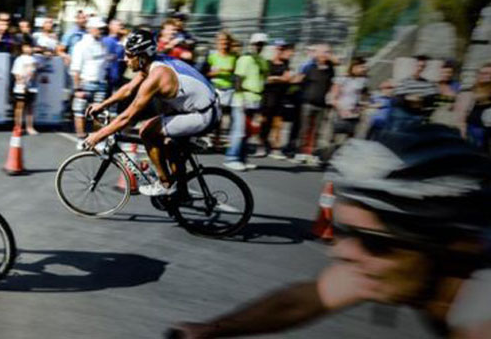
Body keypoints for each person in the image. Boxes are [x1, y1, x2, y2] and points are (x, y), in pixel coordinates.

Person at [171, 125, 491, 338]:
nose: (342, 250)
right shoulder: (402, 264)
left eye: (373, 242)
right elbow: (301, 301)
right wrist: (210, 329)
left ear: (457, 245)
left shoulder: (479, 311)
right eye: (344, 230)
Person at [83, 29, 219, 197]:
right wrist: (103, 104)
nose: (125, 59)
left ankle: (165, 183)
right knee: (171, 149)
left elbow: (127, 116)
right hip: (199, 108)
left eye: (129, 55)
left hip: (203, 115)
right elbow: (128, 89)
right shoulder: (152, 64)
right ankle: (181, 194)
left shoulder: (157, 76)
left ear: (142, 56)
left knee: (147, 131)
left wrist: (97, 136)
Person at [225, 33, 268, 171]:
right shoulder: (245, 59)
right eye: (256, 44)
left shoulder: (262, 61)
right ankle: (231, 158)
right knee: (239, 130)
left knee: (248, 132)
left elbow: (263, 80)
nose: (258, 47)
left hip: (256, 99)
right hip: (243, 98)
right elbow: (237, 79)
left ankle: (242, 158)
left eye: (261, 44)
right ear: (251, 44)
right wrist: (241, 99)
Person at [294, 44, 336, 165]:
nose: (326, 55)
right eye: (324, 52)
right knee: (304, 129)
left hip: (322, 103)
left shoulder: (330, 69)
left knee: (317, 131)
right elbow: (299, 80)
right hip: (307, 101)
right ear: (317, 53)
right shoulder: (309, 66)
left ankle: (311, 153)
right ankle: (301, 152)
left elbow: (332, 83)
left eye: (328, 52)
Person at [70, 17, 110, 139]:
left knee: (99, 112)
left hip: (101, 82)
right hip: (85, 82)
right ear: (91, 29)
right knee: (80, 111)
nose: (101, 31)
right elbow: (75, 68)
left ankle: (97, 138)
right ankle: (81, 137)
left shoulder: (103, 44)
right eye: (98, 28)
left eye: (102, 28)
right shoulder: (81, 45)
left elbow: (104, 64)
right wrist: (77, 88)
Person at [260, 40, 293, 159]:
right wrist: (279, 78)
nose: (280, 51)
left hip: (280, 98)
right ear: (274, 49)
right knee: (265, 123)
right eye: (278, 48)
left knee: (278, 125)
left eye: (282, 49)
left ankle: (275, 148)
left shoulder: (286, 64)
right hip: (268, 98)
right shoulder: (267, 63)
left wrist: (274, 78)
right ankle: (262, 145)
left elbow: (288, 78)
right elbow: (265, 79)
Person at [390, 55, 439, 131]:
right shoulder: (404, 82)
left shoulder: (428, 84)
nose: (419, 69)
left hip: (417, 115)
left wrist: (414, 98)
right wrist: (413, 99)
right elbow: (398, 99)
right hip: (403, 113)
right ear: (413, 66)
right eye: (418, 66)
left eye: (422, 67)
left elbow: (431, 99)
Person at [206, 31, 237, 149]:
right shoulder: (212, 57)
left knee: (224, 116)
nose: (224, 43)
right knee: (215, 114)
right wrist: (216, 72)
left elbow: (237, 72)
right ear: (217, 43)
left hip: (229, 89)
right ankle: (213, 137)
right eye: (221, 41)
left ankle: (218, 139)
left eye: (226, 41)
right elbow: (206, 72)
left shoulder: (234, 57)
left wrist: (231, 71)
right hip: (215, 87)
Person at [329, 56, 369, 147]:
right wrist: (340, 109)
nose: (364, 69)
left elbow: (363, 96)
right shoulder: (342, 78)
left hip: (354, 112)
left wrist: (360, 107)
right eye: (361, 67)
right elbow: (333, 96)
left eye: (364, 67)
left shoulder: (363, 80)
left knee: (350, 139)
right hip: (340, 111)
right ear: (354, 67)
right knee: (335, 137)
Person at [455, 63, 491, 153]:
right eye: (481, 73)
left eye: (488, 73)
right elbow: (460, 118)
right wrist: (462, 135)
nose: (484, 76)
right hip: (472, 133)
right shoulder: (468, 93)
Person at [12, 37, 40, 136]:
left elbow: (35, 72)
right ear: (22, 48)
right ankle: (17, 126)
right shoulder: (19, 59)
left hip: (32, 87)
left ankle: (30, 126)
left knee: (30, 107)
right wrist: (22, 84)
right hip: (21, 87)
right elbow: (16, 74)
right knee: (19, 107)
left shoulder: (35, 59)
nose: (29, 49)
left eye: (30, 47)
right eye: (26, 47)